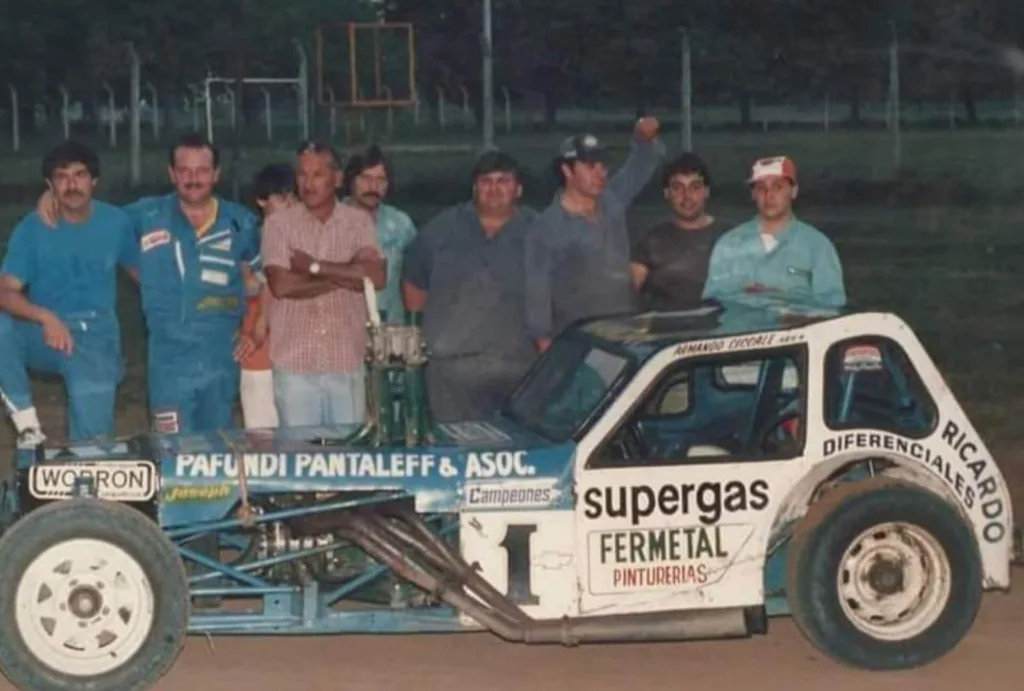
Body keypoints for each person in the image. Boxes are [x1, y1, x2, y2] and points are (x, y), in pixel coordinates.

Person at [36, 132, 263, 435]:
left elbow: (265, 280)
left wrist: (255, 328)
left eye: (202, 170)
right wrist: (52, 197)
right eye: (184, 170)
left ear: (216, 173)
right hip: (168, 362)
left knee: (215, 449)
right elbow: (92, 215)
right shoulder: (147, 215)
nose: (193, 179)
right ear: (171, 173)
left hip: (221, 359)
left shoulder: (241, 222)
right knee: (171, 449)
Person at [0, 141, 137, 447]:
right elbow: (5, 292)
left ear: (94, 180)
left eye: (80, 175)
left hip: (96, 336)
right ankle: (27, 426)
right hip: (45, 334)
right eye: (61, 177)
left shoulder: (117, 222)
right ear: (49, 185)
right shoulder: (33, 228)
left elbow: (144, 273)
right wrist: (45, 317)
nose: (71, 185)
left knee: (92, 447)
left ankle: (87, 463)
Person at [402, 151, 539, 423]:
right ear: (475, 188)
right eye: (486, 181)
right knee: (456, 445)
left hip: (521, 368)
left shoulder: (540, 231)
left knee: (518, 445)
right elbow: (414, 286)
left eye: (503, 181)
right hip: (451, 372)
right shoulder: (440, 229)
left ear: (518, 189)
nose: (494, 189)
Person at [263, 141, 385, 427]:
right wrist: (348, 274)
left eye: (318, 174)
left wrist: (315, 267)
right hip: (295, 368)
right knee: (299, 452)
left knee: (348, 452)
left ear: (338, 178)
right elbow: (281, 285)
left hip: (347, 363)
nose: (308, 184)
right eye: (302, 174)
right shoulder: (278, 224)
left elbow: (376, 277)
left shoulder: (359, 222)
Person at [525, 117, 665, 353]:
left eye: (603, 165)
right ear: (567, 170)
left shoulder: (612, 200)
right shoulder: (545, 228)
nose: (600, 173)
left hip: (626, 335)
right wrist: (546, 349)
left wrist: (643, 138)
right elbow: (537, 297)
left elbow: (641, 165)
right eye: (590, 166)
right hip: (579, 343)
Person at [702, 156, 846, 308]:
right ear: (753, 194)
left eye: (778, 187)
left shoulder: (818, 246)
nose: (769, 195)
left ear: (794, 191)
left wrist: (788, 304)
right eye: (761, 188)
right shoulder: (729, 244)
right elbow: (711, 302)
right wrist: (743, 295)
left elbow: (832, 304)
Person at [236, 163, 297, 429]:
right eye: (282, 198)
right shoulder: (248, 240)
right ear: (262, 200)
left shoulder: (304, 238)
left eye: (294, 198)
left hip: (294, 347)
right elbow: (245, 284)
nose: (290, 206)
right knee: (261, 427)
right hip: (257, 346)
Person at [629, 152, 731, 311]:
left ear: (706, 192)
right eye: (678, 188)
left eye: (695, 187)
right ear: (666, 193)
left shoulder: (733, 237)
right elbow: (627, 294)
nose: (687, 196)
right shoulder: (651, 242)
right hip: (665, 324)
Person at [342, 145, 417, 325]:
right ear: (351, 180)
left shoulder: (401, 225)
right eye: (366, 178)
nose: (373, 186)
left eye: (380, 179)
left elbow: (417, 275)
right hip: (343, 329)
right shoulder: (331, 222)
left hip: (391, 328)